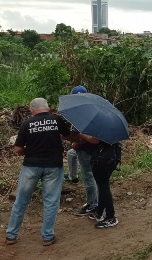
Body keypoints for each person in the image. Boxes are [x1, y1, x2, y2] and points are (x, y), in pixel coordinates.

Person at [5, 98, 70, 246]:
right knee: (51, 201)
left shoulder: (26, 124)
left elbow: (17, 149)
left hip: (31, 166)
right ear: (47, 108)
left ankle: (11, 235)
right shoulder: (56, 120)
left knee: (21, 201)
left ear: (32, 110)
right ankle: (47, 237)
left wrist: (31, 151)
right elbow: (67, 136)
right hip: (54, 166)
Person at [65, 85, 99, 217]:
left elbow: (89, 134)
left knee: (89, 176)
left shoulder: (85, 112)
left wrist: (76, 142)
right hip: (87, 148)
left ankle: (92, 204)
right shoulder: (88, 109)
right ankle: (72, 177)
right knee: (71, 154)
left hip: (86, 148)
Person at [79, 133, 120, 228]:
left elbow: (95, 140)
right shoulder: (111, 126)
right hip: (111, 158)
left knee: (104, 186)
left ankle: (110, 217)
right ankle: (99, 212)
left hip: (103, 159)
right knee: (102, 185)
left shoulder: (101, 126)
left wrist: (81, 135)